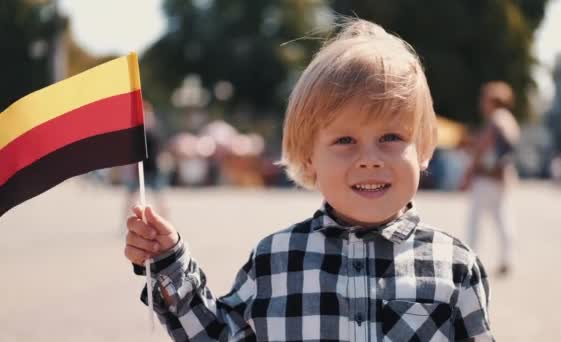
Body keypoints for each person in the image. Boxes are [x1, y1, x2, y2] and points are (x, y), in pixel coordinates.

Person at [124, 19, 494, 341]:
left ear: (424, 148)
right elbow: (218, 335)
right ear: (308, 157)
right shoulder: (276, 260)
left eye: (391, 138)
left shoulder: (454, 266)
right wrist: (169, 263)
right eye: (345, 141)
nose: (369, 160)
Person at [461, 81, 520, 277]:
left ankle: (469, 262)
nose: (481, 103)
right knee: (502, 218)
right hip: (502, 177)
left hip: (486, 177)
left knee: (475, 220)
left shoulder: (495, 120)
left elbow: (482, 148)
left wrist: (469, 172)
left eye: (484, 98)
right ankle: (507, 258)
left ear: (492, 101)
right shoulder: (509, 119)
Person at [123, 102, 169, 224]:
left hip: (152, 168)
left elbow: (158, 147)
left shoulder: (153, 129)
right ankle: (125, 222)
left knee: (159, 197)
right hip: (140, 168)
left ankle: (166, 221)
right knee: (131, 197)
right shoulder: (139, 129)